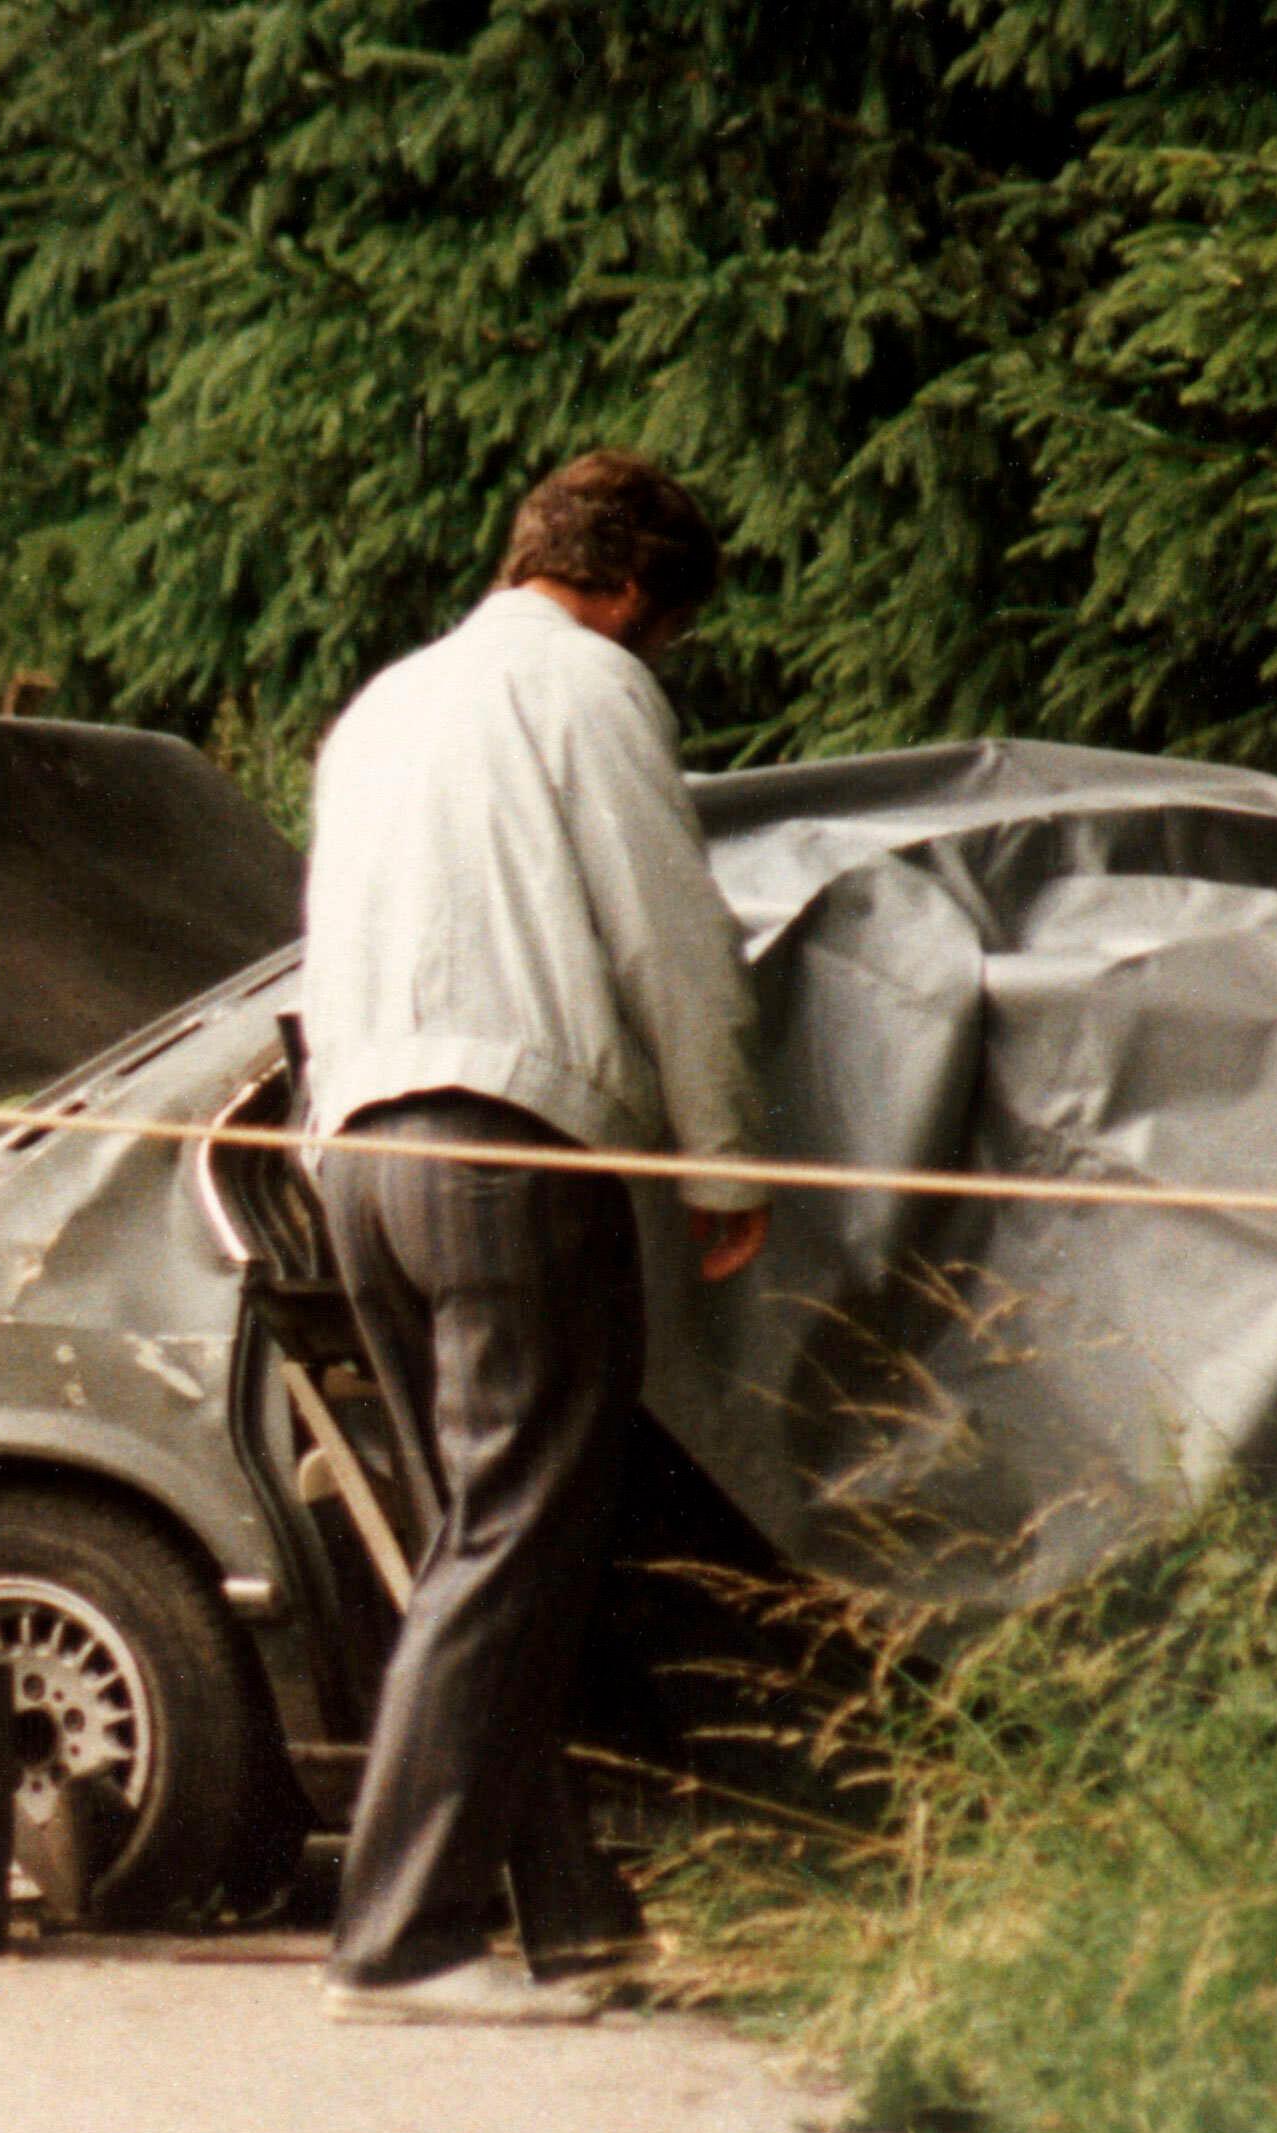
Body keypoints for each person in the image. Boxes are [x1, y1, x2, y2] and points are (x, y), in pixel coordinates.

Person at [301, 449, 773, 2024]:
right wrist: (724, 1157)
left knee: (484, 1550)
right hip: (504, 1143)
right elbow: (667, 930)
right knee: (513, 1547)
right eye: (669, 630)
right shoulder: (587, 687)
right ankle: (401, 1940)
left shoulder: (383, 704)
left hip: (358, 1149)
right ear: (630, 594)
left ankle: (575, 1921)